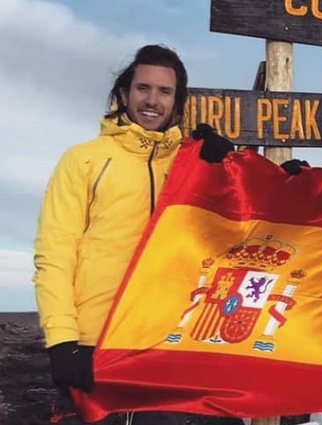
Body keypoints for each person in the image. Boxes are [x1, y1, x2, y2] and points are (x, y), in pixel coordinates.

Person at [33, 44, 190, 424]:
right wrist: (62, 342)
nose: (152, 101)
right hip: (93, 346)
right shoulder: (83, 160)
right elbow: (55, 254)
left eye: (164, 91)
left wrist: (279, 180)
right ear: (124, 93)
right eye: (143, 88)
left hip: (164, 346)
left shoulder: (191, 164)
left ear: (177, 101)